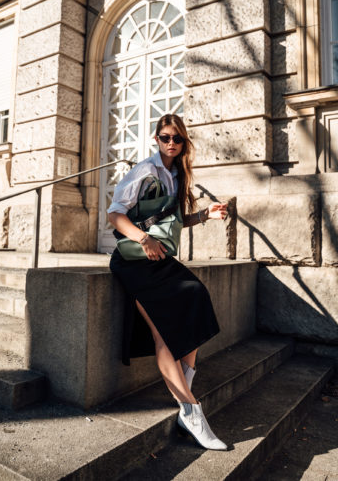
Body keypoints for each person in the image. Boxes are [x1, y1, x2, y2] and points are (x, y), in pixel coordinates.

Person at [108, 113, 228, 451]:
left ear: (183, 142)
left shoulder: (176, 173)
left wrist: (204, 215)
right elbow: (115, 214)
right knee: (163, 329)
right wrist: (144, 240)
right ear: (156, 139)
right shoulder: (144, 171)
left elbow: (169, 223)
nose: (171, 143)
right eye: (164, 137)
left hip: (158, 258)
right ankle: (191, 411)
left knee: (196, 295)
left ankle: (183, 387)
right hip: (134, 260)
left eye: (176, 138)